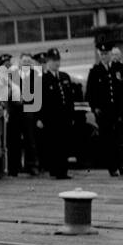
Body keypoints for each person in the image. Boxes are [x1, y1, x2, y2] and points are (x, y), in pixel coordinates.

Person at [86, 41, 123, 176]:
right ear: (99, 55)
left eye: (107, 54)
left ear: (110, 54)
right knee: (108, 140)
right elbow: (90, 93)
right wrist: (95, 108)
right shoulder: (95, 71)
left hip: (118, 110)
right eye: (102, 54)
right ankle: (112, 166)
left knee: (121, 138)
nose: (104, 56)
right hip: (104, 112)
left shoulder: (118, 68)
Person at [39, 48, 73, 179]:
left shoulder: (65, 77)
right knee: (54, 144)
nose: (56, 63)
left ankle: (63, 170)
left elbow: (69, 98)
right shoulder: (43, 79)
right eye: (53, 61)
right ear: (48, 62)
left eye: (58, 60)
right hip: (51, 117)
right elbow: (39, 101)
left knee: (64, 143)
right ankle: (56, 170)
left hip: (64, 116)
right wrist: (39, 118)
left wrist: (71, 115)